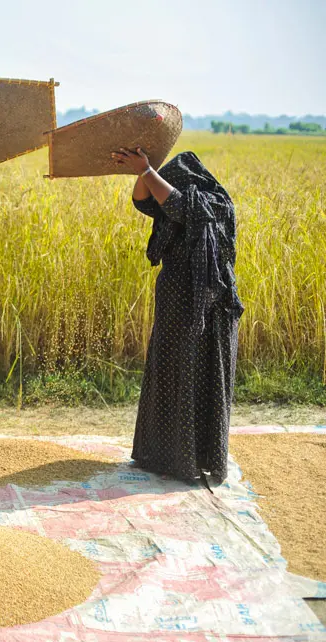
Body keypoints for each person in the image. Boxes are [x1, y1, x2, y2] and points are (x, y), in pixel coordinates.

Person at [111, 148, 243, 487]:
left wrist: (148, 169)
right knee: (170, 370)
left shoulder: (214, 204)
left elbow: (182, 206)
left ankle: (199, 457)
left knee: (204, 375)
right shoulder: (176, 202)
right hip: (175, 303)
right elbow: (144, 202)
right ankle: (162, 456)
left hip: (211, 308)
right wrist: (144, 173)